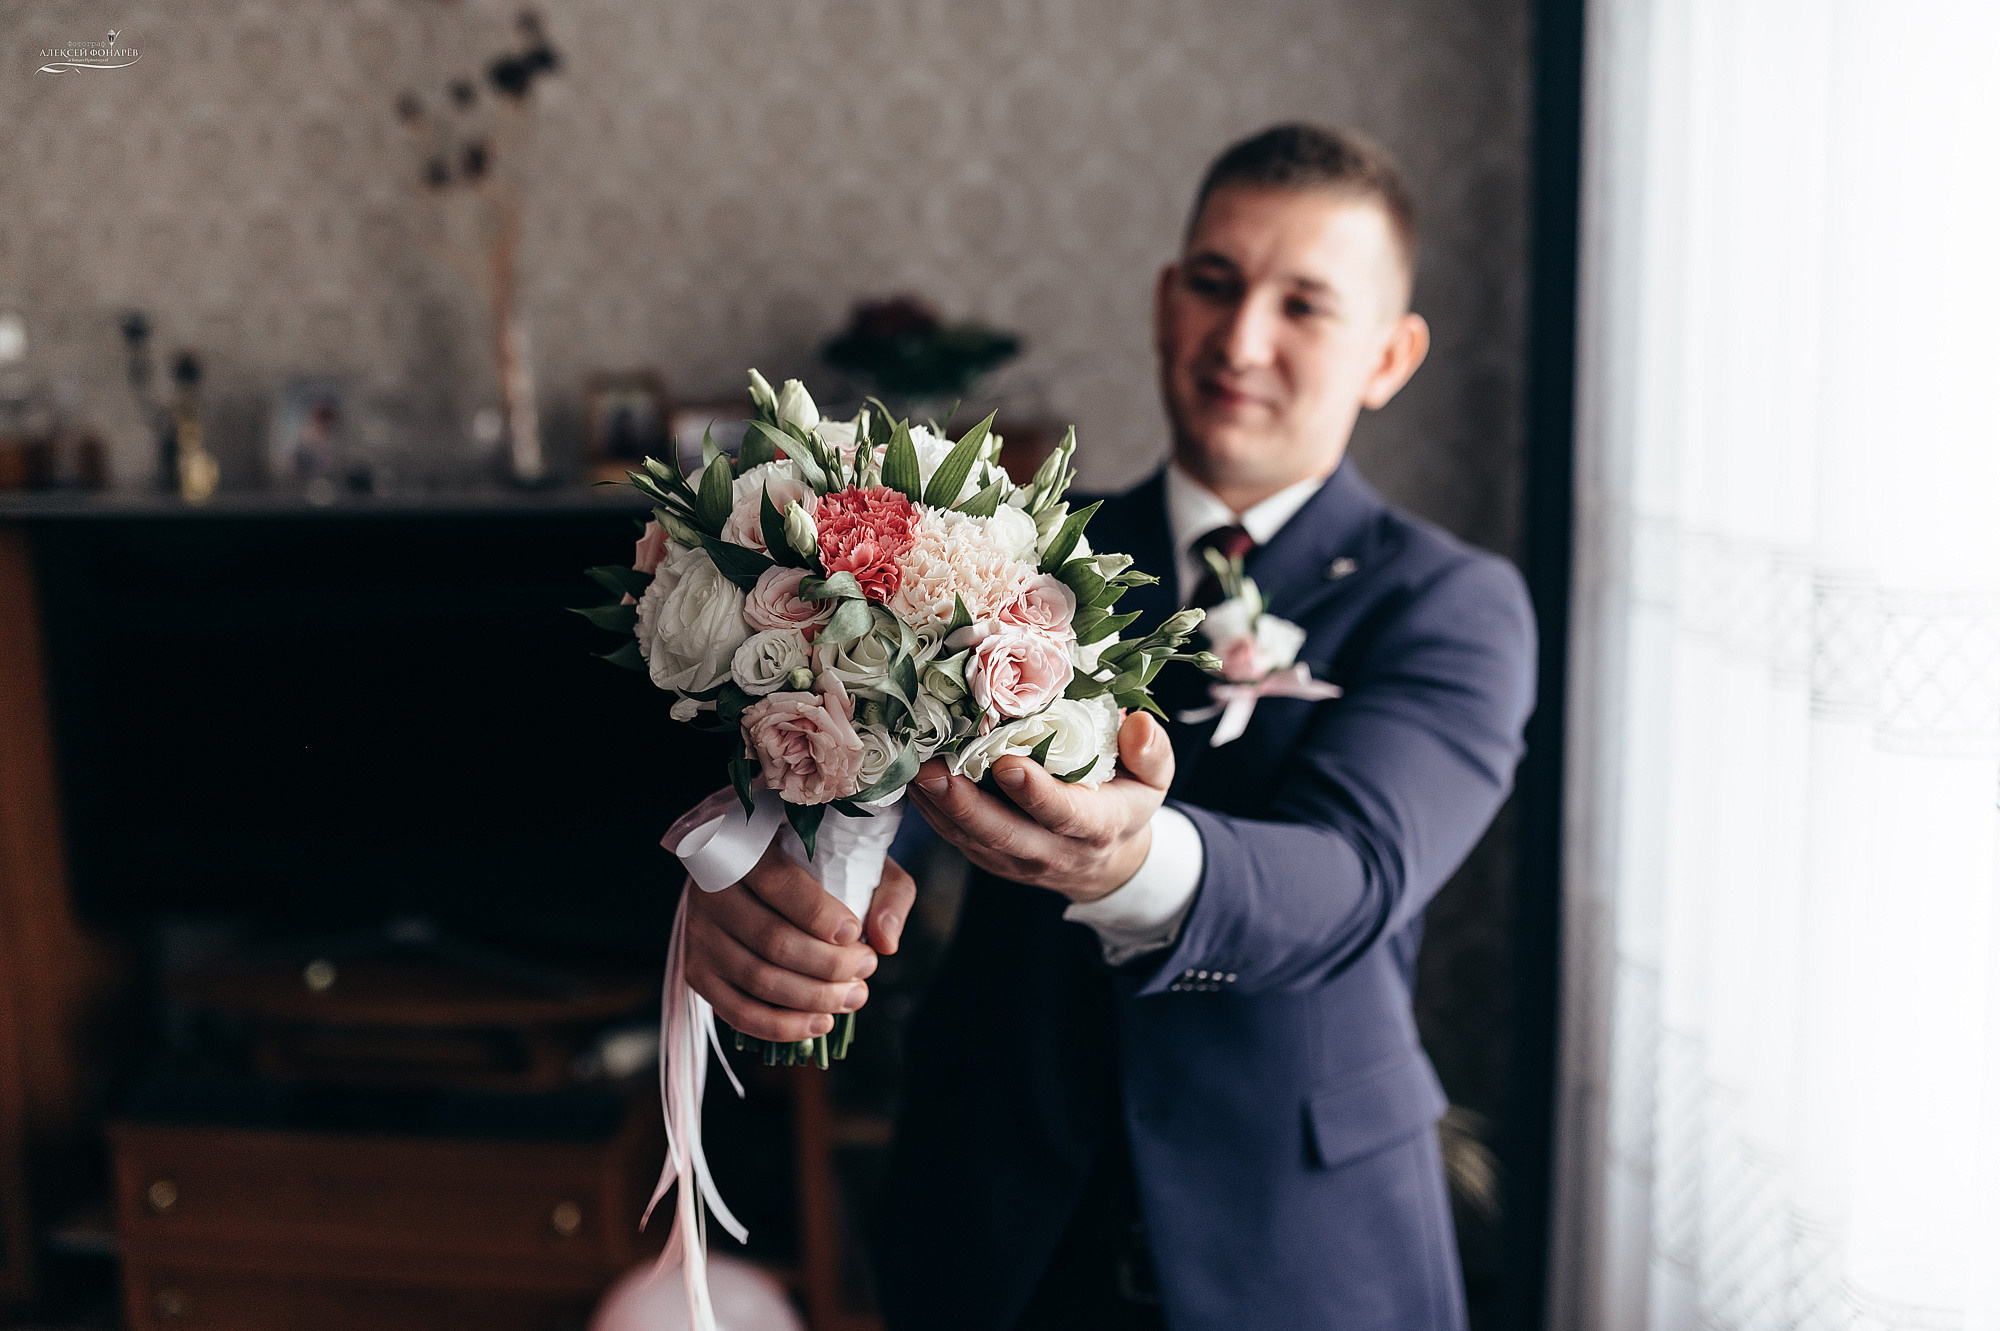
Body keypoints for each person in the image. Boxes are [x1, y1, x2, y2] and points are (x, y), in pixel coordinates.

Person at [680, 124, 1537, 1330]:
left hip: (1299, 1251)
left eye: (1303, 306)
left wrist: (1129, 864)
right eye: (1215, 282)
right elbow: (865, 796)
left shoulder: (1450, 601)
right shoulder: (1001, 544)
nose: (1241, 341)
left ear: (1389, 355)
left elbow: (1355, 872)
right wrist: (758, 879)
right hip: (996, 1234)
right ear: (1161, 297)